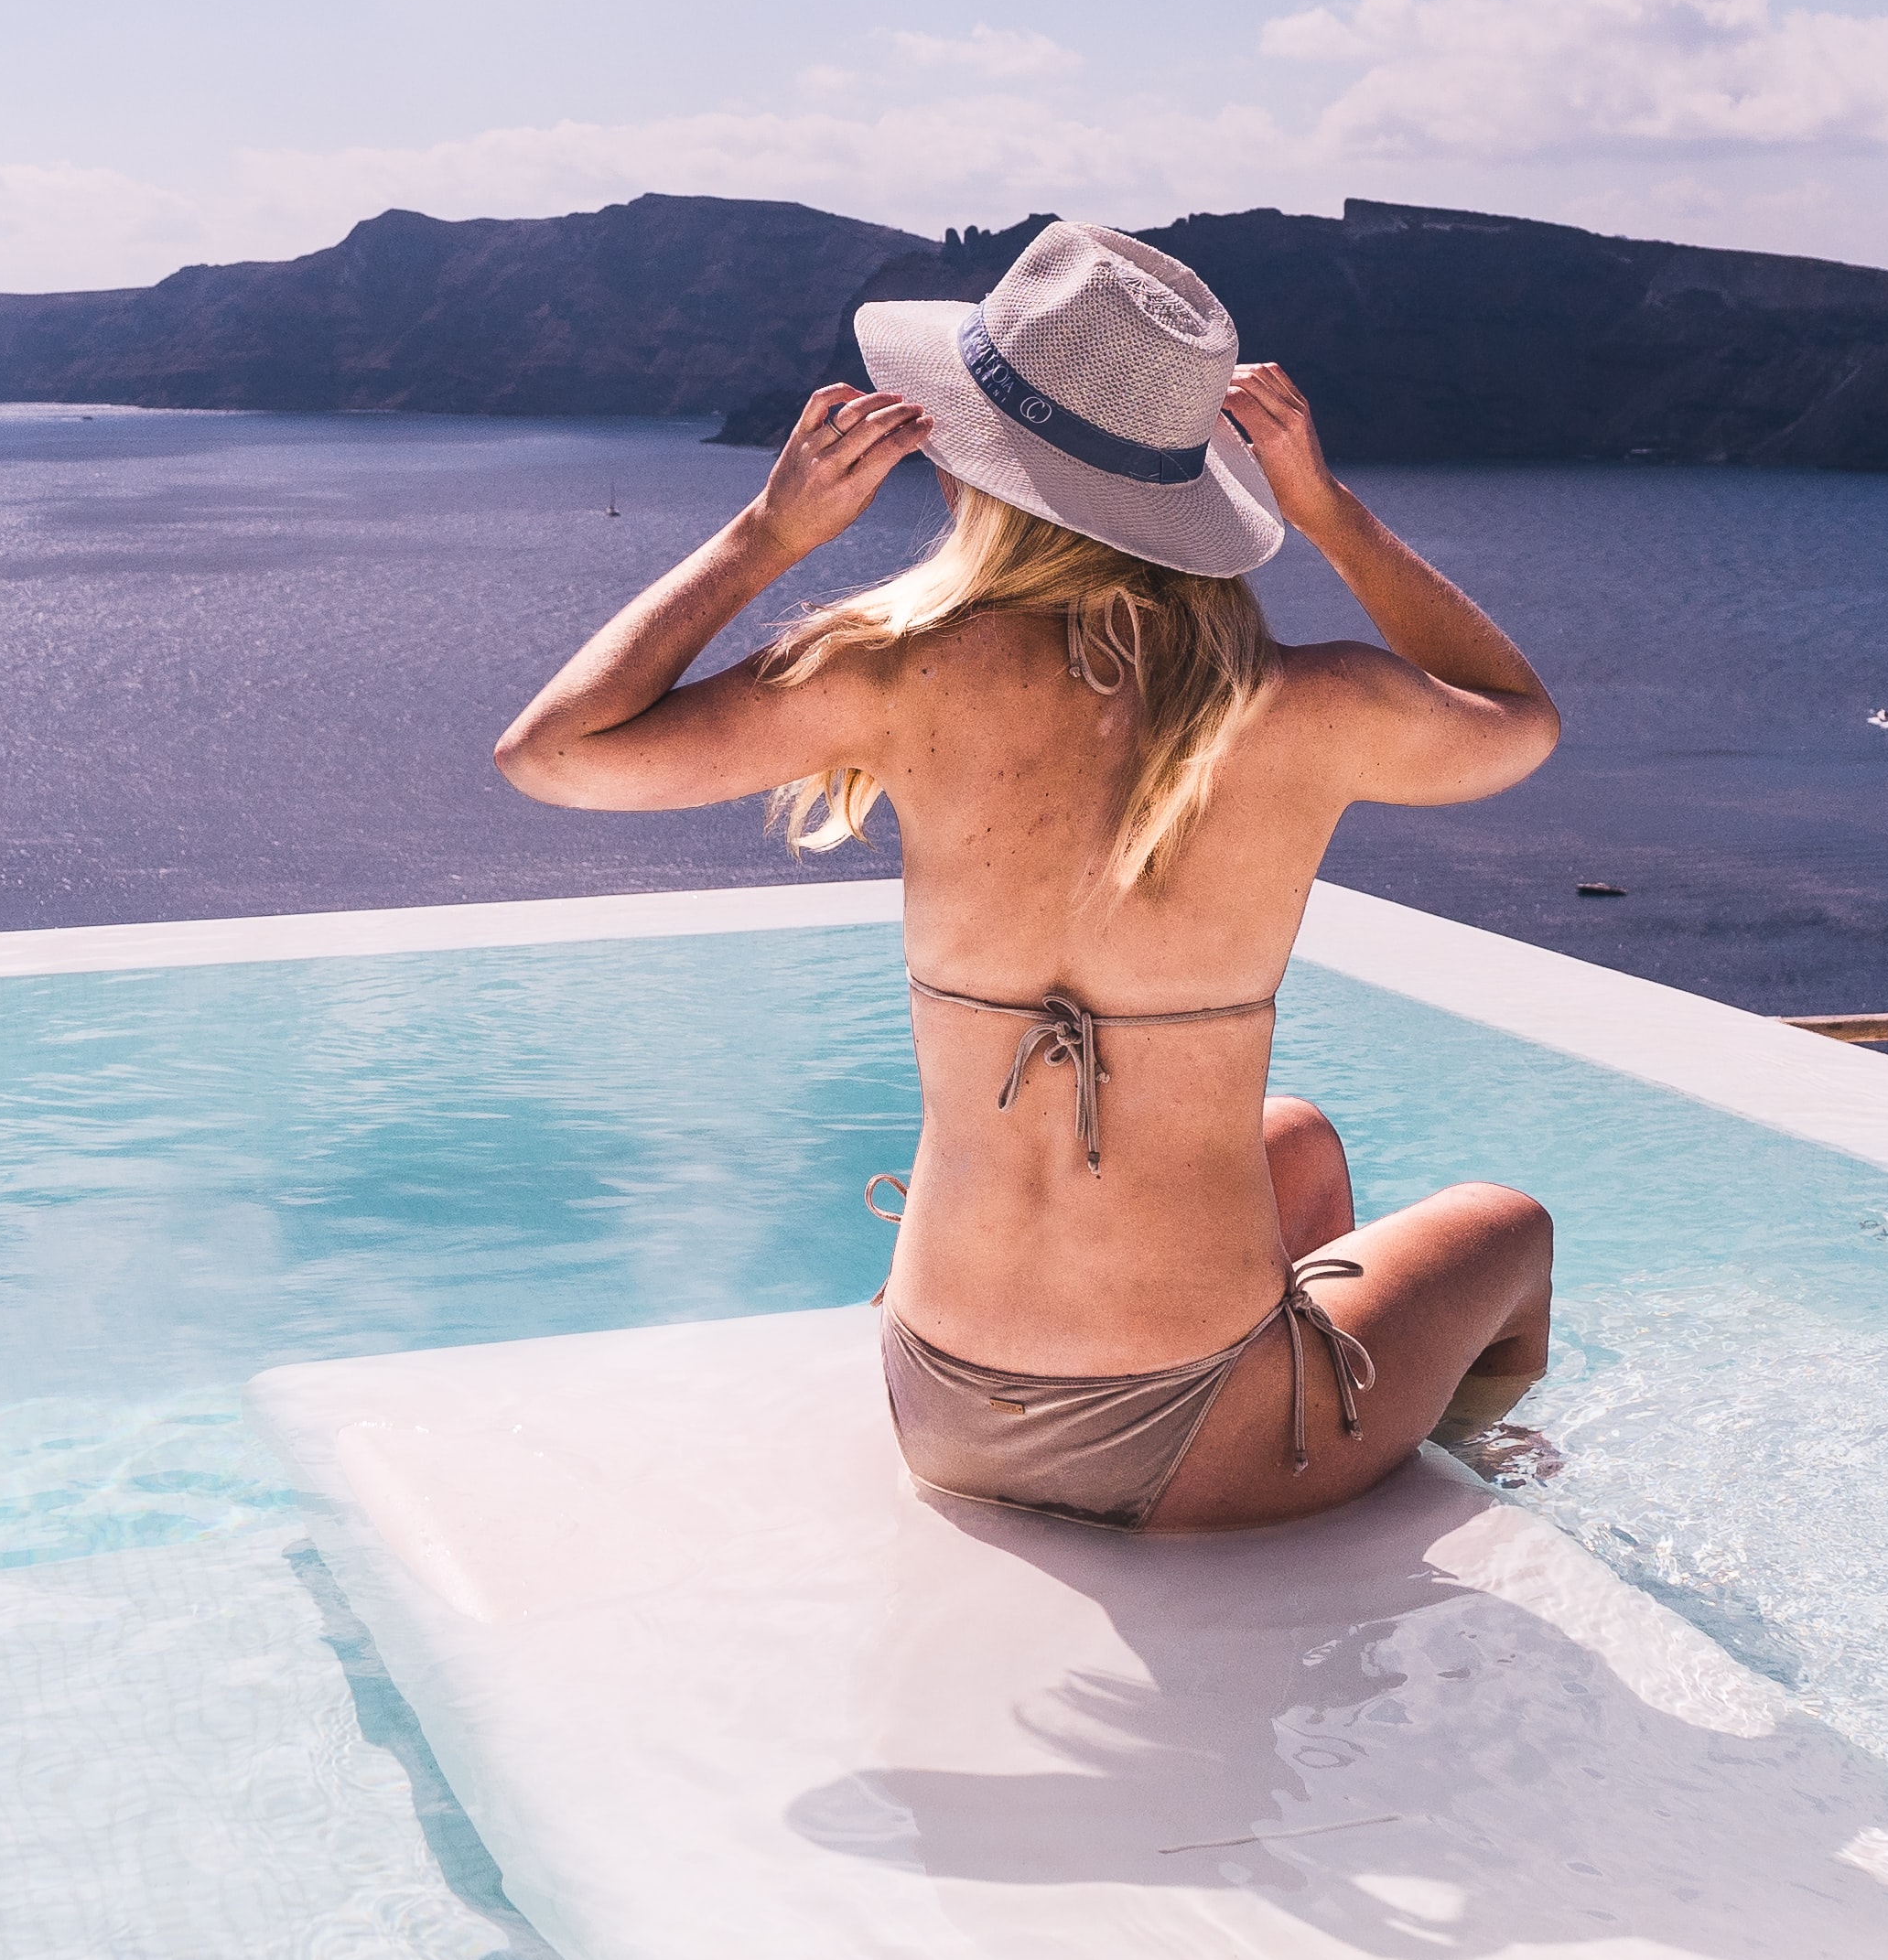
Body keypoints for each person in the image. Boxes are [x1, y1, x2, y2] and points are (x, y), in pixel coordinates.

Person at [492, 216, 1566, 1534]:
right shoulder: (1312, 707)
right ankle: (1453, 1487)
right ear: (1194, 498)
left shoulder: (895, 669)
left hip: (943, 1402)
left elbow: (554, 755)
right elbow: (1519, 718)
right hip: (1207, 1440)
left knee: (1296, 1141)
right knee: (1508, 1226)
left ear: (974, 462)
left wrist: (769, 535)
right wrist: (1330, 514)